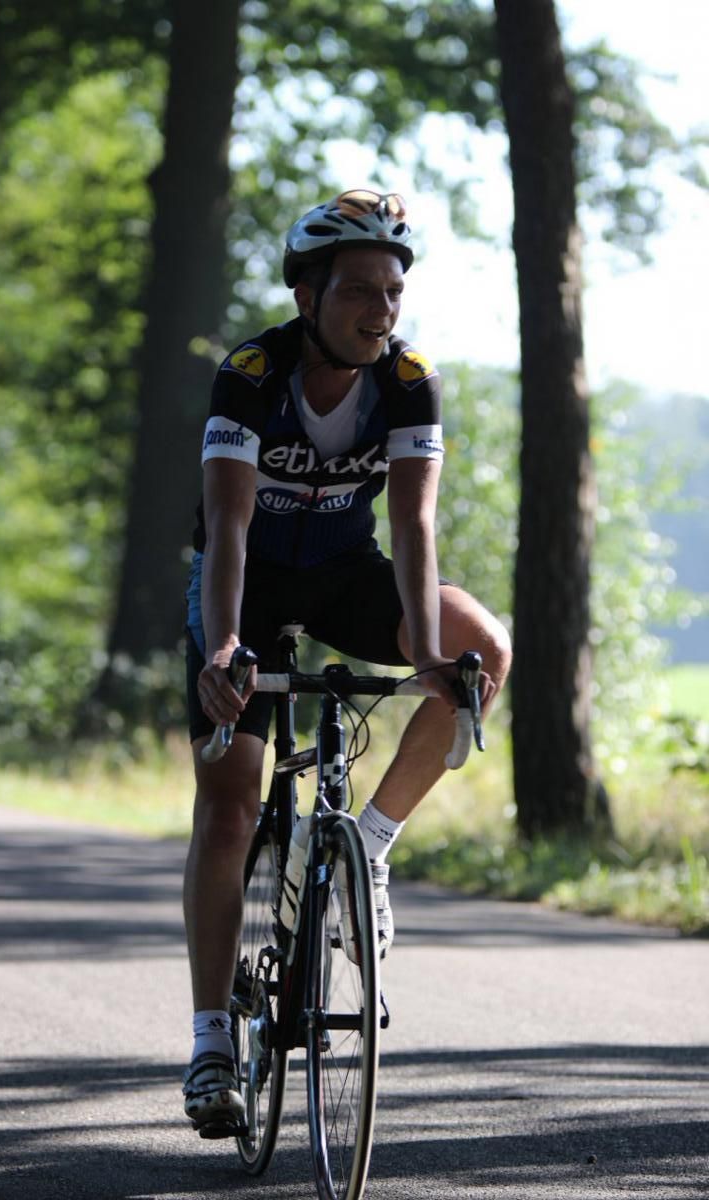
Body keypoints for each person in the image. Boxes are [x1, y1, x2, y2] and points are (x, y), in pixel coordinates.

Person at [181, 189, 512, 1134]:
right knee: (234, 798)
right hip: (243, 588)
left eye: (394, 291)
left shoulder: (409, 381)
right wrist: (228, 647)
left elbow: (414, 527)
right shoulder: (251, 373)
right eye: (360, 289)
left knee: (483, 648)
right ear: (307, 294)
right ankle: (211, 1041)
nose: (381, 309)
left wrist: (431, 655)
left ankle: (367, 846)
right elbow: (230, 527)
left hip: (348, 577)